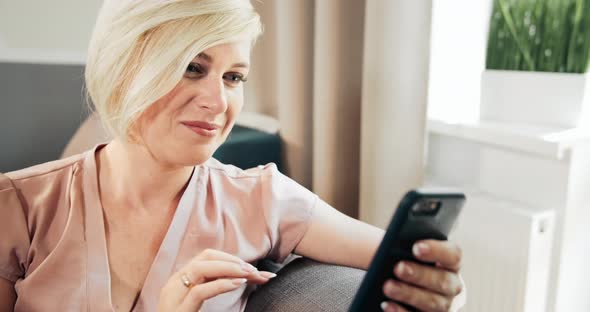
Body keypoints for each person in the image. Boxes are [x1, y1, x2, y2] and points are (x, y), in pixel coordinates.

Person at [0, 0, 464, 311]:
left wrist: (447, 291)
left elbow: (406, 262)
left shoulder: (262, 199)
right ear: (123, 69)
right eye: (192, 68)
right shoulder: (17, 206)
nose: (218, 103)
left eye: (233, 77)